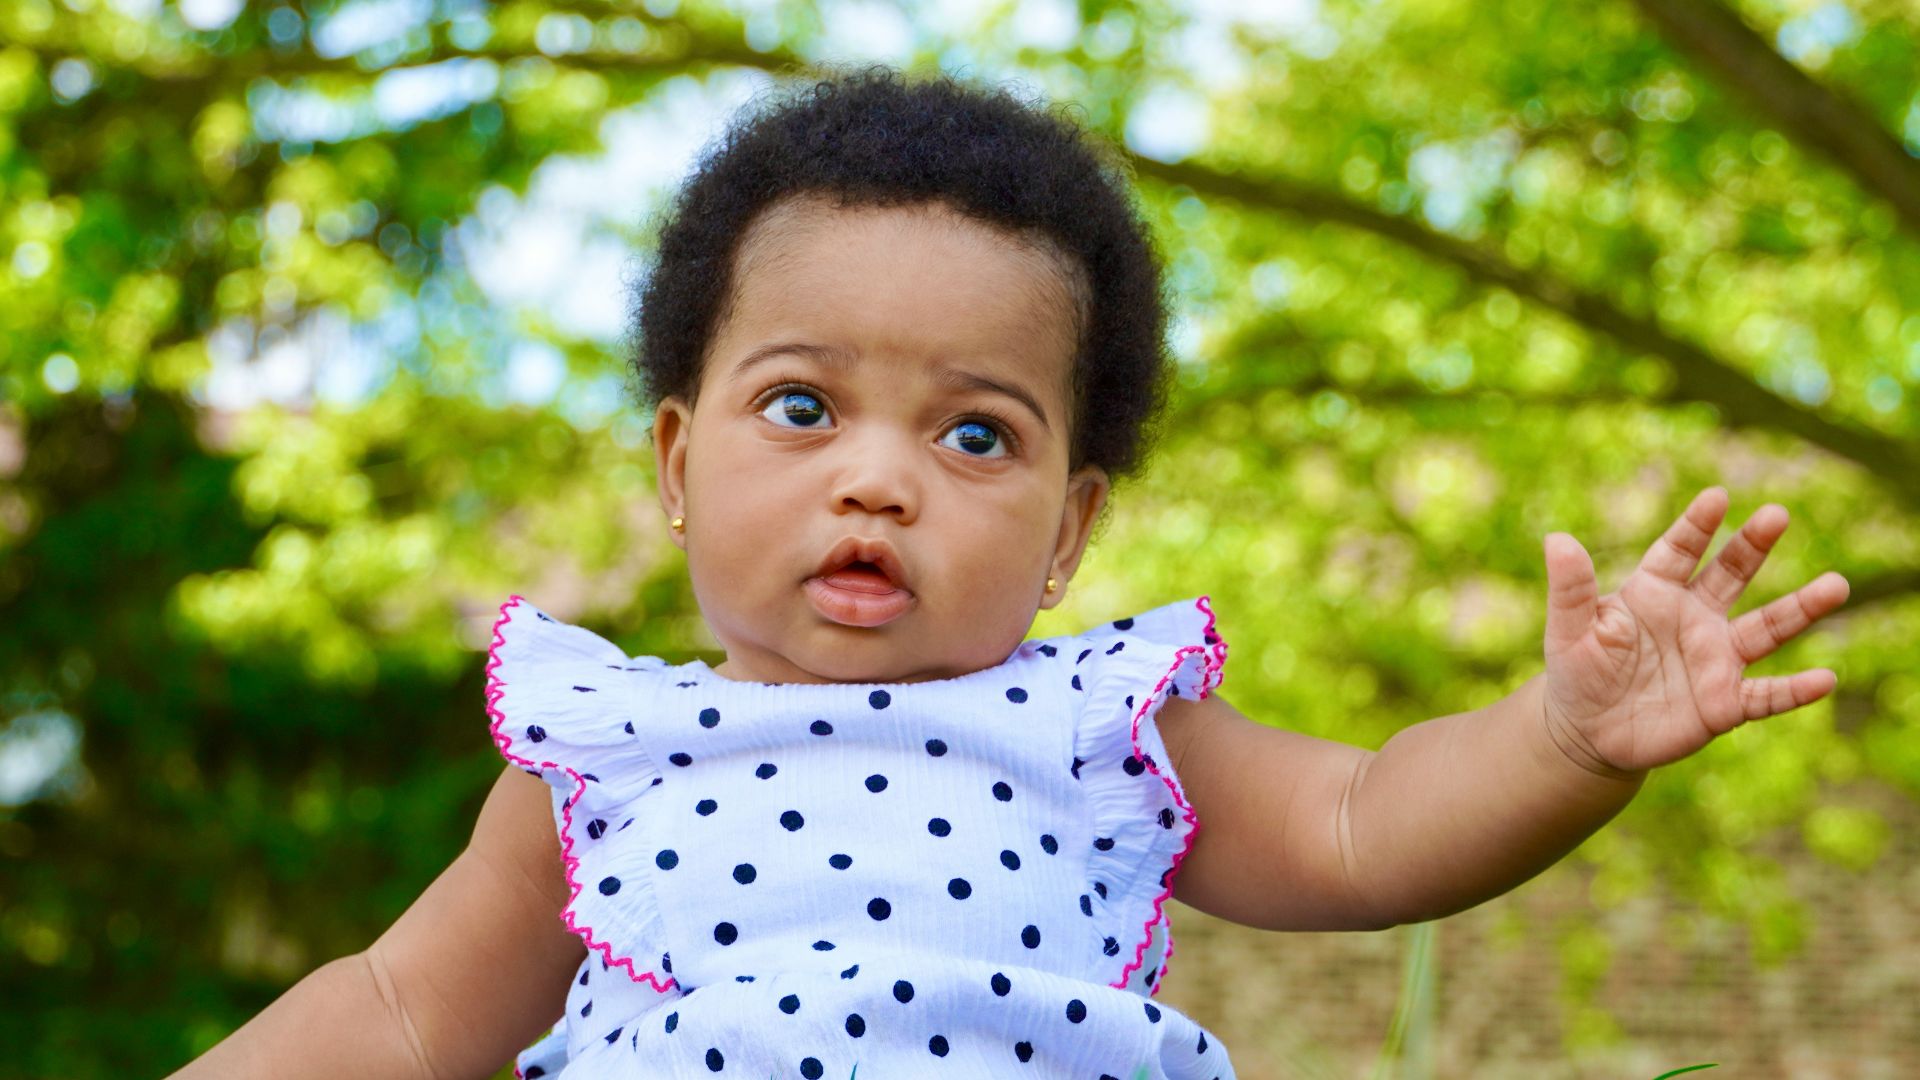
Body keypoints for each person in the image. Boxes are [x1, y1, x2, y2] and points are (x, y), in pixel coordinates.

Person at [171, 65, 1850, 1079]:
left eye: (975, 435)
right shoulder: (602, 758)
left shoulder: (1103, 731)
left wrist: (1560, 740)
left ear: (1068, 532)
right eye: (803, 406)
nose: (880, 477)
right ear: (677, 463)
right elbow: (400, 1017)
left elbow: (1365, 828)